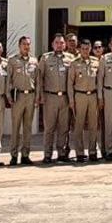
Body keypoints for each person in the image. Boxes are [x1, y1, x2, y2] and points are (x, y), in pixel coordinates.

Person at [38, 33, 72, 163]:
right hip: (50, 97)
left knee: (64, 128)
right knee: (49, 128)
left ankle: (61, 153)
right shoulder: (45, 58)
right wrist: (41, 95)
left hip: (65, 97)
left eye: (61, 43)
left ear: (65, 44)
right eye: (57, 43)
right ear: (52, 44)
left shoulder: (70, 58)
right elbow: (40, 78)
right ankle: (47, 154)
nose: (59, 45)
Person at [7, 35, 39, 165]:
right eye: (24, 44)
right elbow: (8, 80)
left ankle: (25, 154)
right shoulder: (13, 61)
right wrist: (8, 96)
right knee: (15, 127)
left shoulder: (34, 61)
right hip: (18, 97)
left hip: (30, 96)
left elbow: (37, 81)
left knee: (27, 127)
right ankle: (14, 156)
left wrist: (37, 97)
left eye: (28, 44)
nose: (26, 46)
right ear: (19, 46)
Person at [68, 39, 101, 162]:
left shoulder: (96, 62)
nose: (85, 51)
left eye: (87, 49)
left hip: (93, 96)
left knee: (93, 125)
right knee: (79, 125)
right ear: (79, 49)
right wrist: (71, 99)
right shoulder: (74, 63)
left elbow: (99, 81)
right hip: (79, 96)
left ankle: (92, 151)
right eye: (83, 49)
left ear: (90, 49)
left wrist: (100, 98)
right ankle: (80, 152)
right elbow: (70, 83)